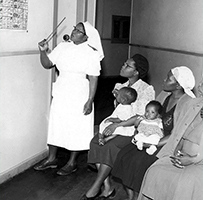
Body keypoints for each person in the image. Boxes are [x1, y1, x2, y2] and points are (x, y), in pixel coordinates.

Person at [111, 66, 196, 200]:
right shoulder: (164, 95)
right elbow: (148, 116)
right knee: (124, 155)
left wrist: (153, 143)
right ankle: (131, 196)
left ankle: (140, 195)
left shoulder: (188, 103)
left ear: (178, 85)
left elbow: (177, 133)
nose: (164, 79)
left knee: (140, 161)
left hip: (167, 142)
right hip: (151, 136)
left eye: (168, 78)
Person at [34, 21, 104, 176]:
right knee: (56, 122)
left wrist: (90, 100)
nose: (74, 32)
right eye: (75, 28)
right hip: (62, 90)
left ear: (87, 37)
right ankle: (51, 158)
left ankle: (71, 162)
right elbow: (47, 64)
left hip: (80, 92)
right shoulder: (63, 46)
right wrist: (43, 51)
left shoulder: (91, 53)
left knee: (76, 126)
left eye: (79, 31)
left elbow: (93, 78)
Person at [80, 54, 155, 200]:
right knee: (95, 143)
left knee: (110, 147)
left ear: (136, 72)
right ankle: (107, 188)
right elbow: (118, 110)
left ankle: (95, 187)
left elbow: (141, 117)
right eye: (124, 63)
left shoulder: (146, 89)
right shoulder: (120, 86)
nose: (123, 66)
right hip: (118, 125)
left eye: (128, 66)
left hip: (134, 129)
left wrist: (117, 125)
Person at [137, 77, 203, 200]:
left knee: (184, 183)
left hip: (199, 163)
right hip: (181, 155)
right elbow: (179, 132)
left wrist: (194, 159)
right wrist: (177, 151)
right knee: (154, 171)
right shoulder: (194, 104)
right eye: (201, 82)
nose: (199, 87)